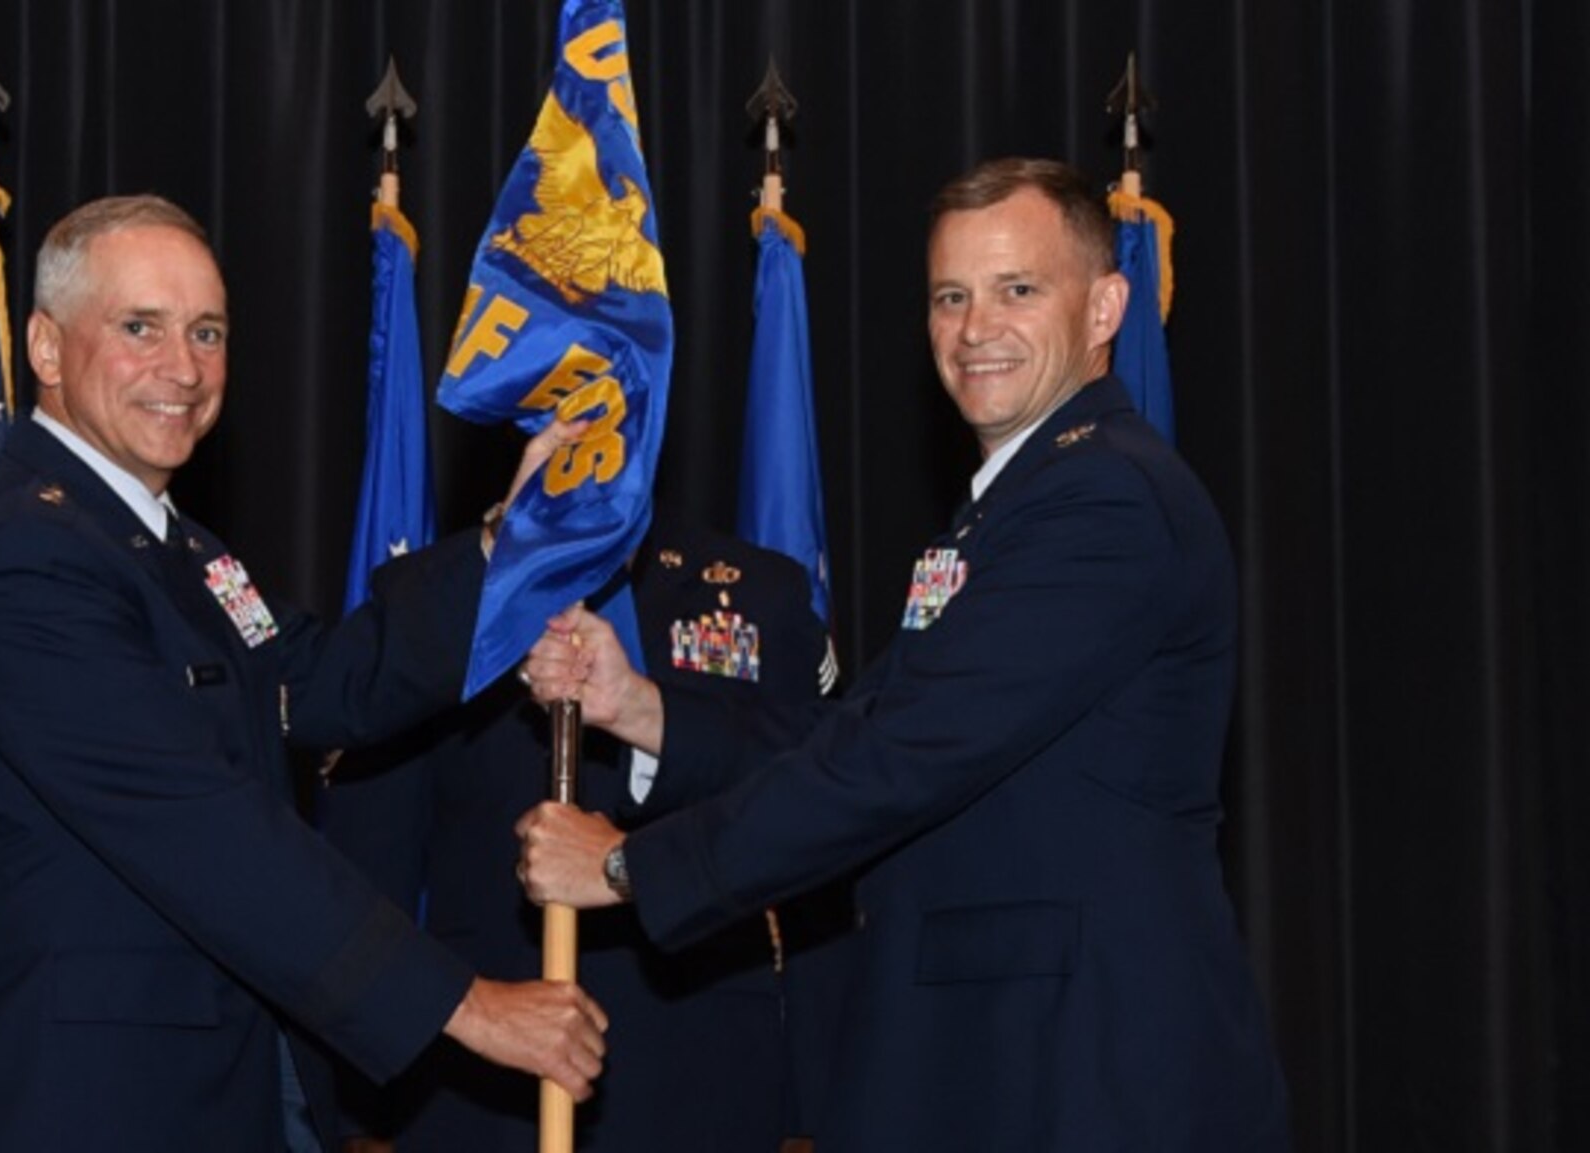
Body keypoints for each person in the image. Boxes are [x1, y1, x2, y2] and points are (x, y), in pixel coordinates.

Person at [515, 158, 1291, 1150]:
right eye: (949, 296)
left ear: (1104, 307)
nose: (975, 330)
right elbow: (860, 733)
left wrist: (629, 867)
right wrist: (642, 711)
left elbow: (902, 758)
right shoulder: (1013, 509)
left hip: (1083, 1076)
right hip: (997, 1062)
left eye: (1017, 290)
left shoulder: (1105, 503)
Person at [0, 194, 606, 1153]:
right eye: (139, 327)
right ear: (46, 346)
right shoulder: (27, 559)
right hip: (90, 1111)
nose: (183, 368)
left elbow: (326, 681)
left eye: (207, 331)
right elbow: (202, 828)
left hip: (226, 1093)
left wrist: (501, 538)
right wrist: (466, 1004)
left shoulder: (170, 549)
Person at [321, 521, 850, 1150]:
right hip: (484, 1094)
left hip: (704, 1084)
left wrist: (815, 1107)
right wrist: (357, 1119)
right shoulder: (439, 598)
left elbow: (828, 825)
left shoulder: (759, 592)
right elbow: (366, 879)